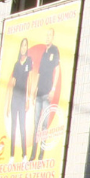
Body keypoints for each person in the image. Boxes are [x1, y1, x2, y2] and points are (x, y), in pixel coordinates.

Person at [29, 28, 60, 162]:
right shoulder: (43, 53)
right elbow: (39, 72)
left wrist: (53, 89)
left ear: (53, 37)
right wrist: (34, 88)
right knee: (36, 123)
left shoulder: (55, 50)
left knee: (44, 125)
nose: (47, 37)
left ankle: (41, 154)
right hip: (39, 92)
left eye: (50, 35)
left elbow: (57, 69)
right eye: (46, 35)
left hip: (47, 92)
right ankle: (33, 154)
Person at [6, 38, 32, 161]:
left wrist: (28, 99)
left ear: (27, 48)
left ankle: (24, 155)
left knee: (22, 126)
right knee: (13, 126)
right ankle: (11, 155)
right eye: (22, 45)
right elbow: (13, 82)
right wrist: (7, 105)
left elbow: (30, 81)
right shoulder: (17, 64)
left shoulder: (29, 61)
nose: (23, 48)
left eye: (25, 45)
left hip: (23, 98)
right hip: (14, 98)